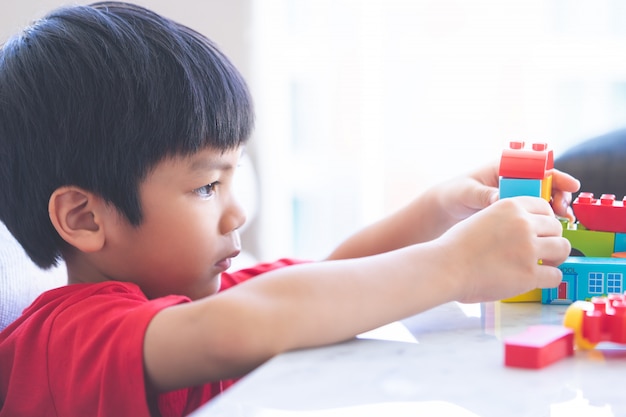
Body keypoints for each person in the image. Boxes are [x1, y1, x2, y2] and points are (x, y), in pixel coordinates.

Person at [0, 2, 579, 416]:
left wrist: (441, 209)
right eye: (207, 188)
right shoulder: (67, 340)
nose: (236, 216)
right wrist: (456, 266)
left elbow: (322, 283)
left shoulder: (187, 298)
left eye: (233, 178)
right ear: (84, 218)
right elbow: (249, 323)